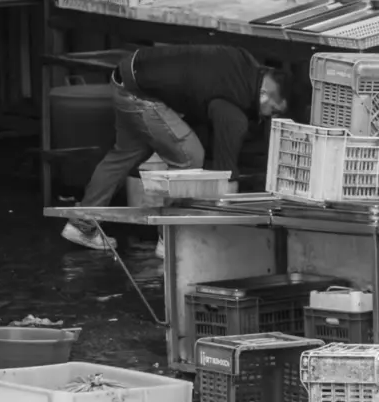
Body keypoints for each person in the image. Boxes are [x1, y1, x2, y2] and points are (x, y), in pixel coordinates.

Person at [62, 46, 288, 251]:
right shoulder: (233, 113)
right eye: (274, 111)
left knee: (124, 155)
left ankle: (82, 225)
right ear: (264, 94)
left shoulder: (244, 60)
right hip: (139, 94)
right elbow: (226, 177)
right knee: (189, 156)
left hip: (127, 73)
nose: (272, 117)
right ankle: (170, 240)